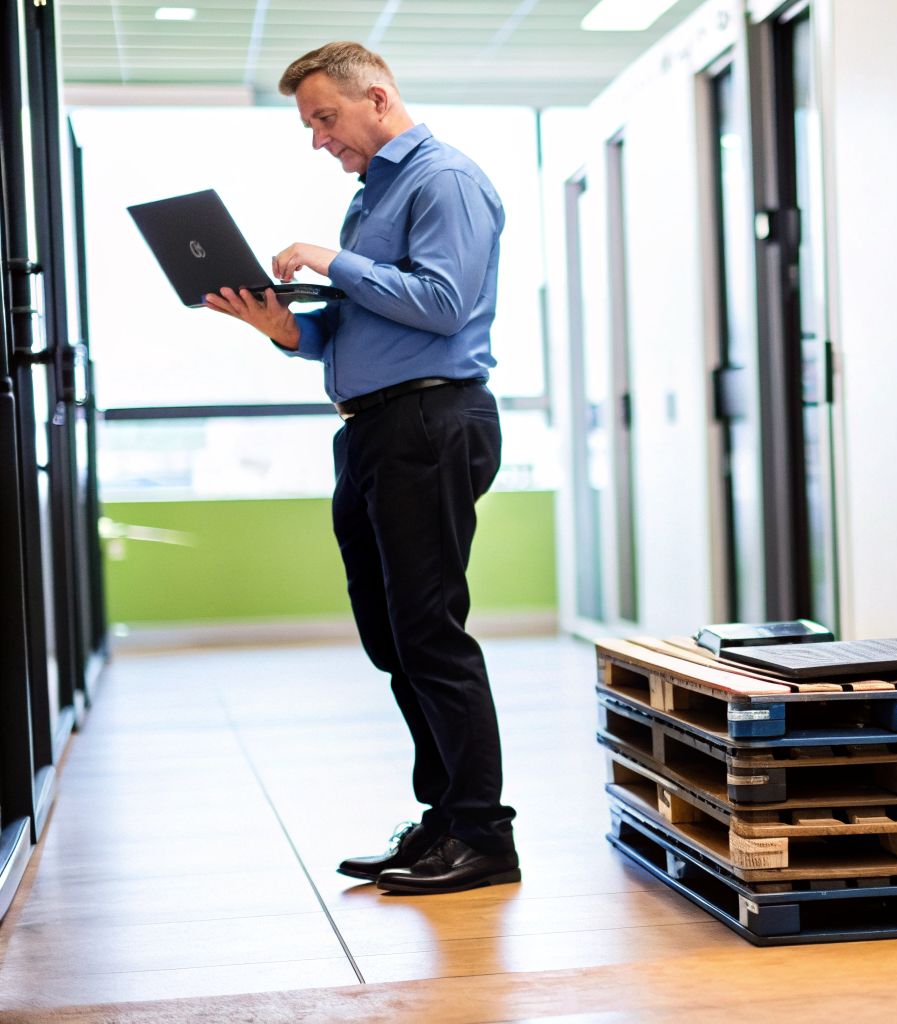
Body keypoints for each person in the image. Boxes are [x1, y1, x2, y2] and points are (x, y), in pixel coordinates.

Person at [205, 41, 519, 895]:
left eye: (324, 118)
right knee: (392, 637)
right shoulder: (374, 196)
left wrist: (326, 259)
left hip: (431, 418)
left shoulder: (444, 180)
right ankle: (446, 819)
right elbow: (357, 332)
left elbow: (444, 303)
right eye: (309, 124)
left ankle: (485, 836)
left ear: (375, 98)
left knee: (428, 630)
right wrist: (282, 330)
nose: (317, 139)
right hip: (375, 427)